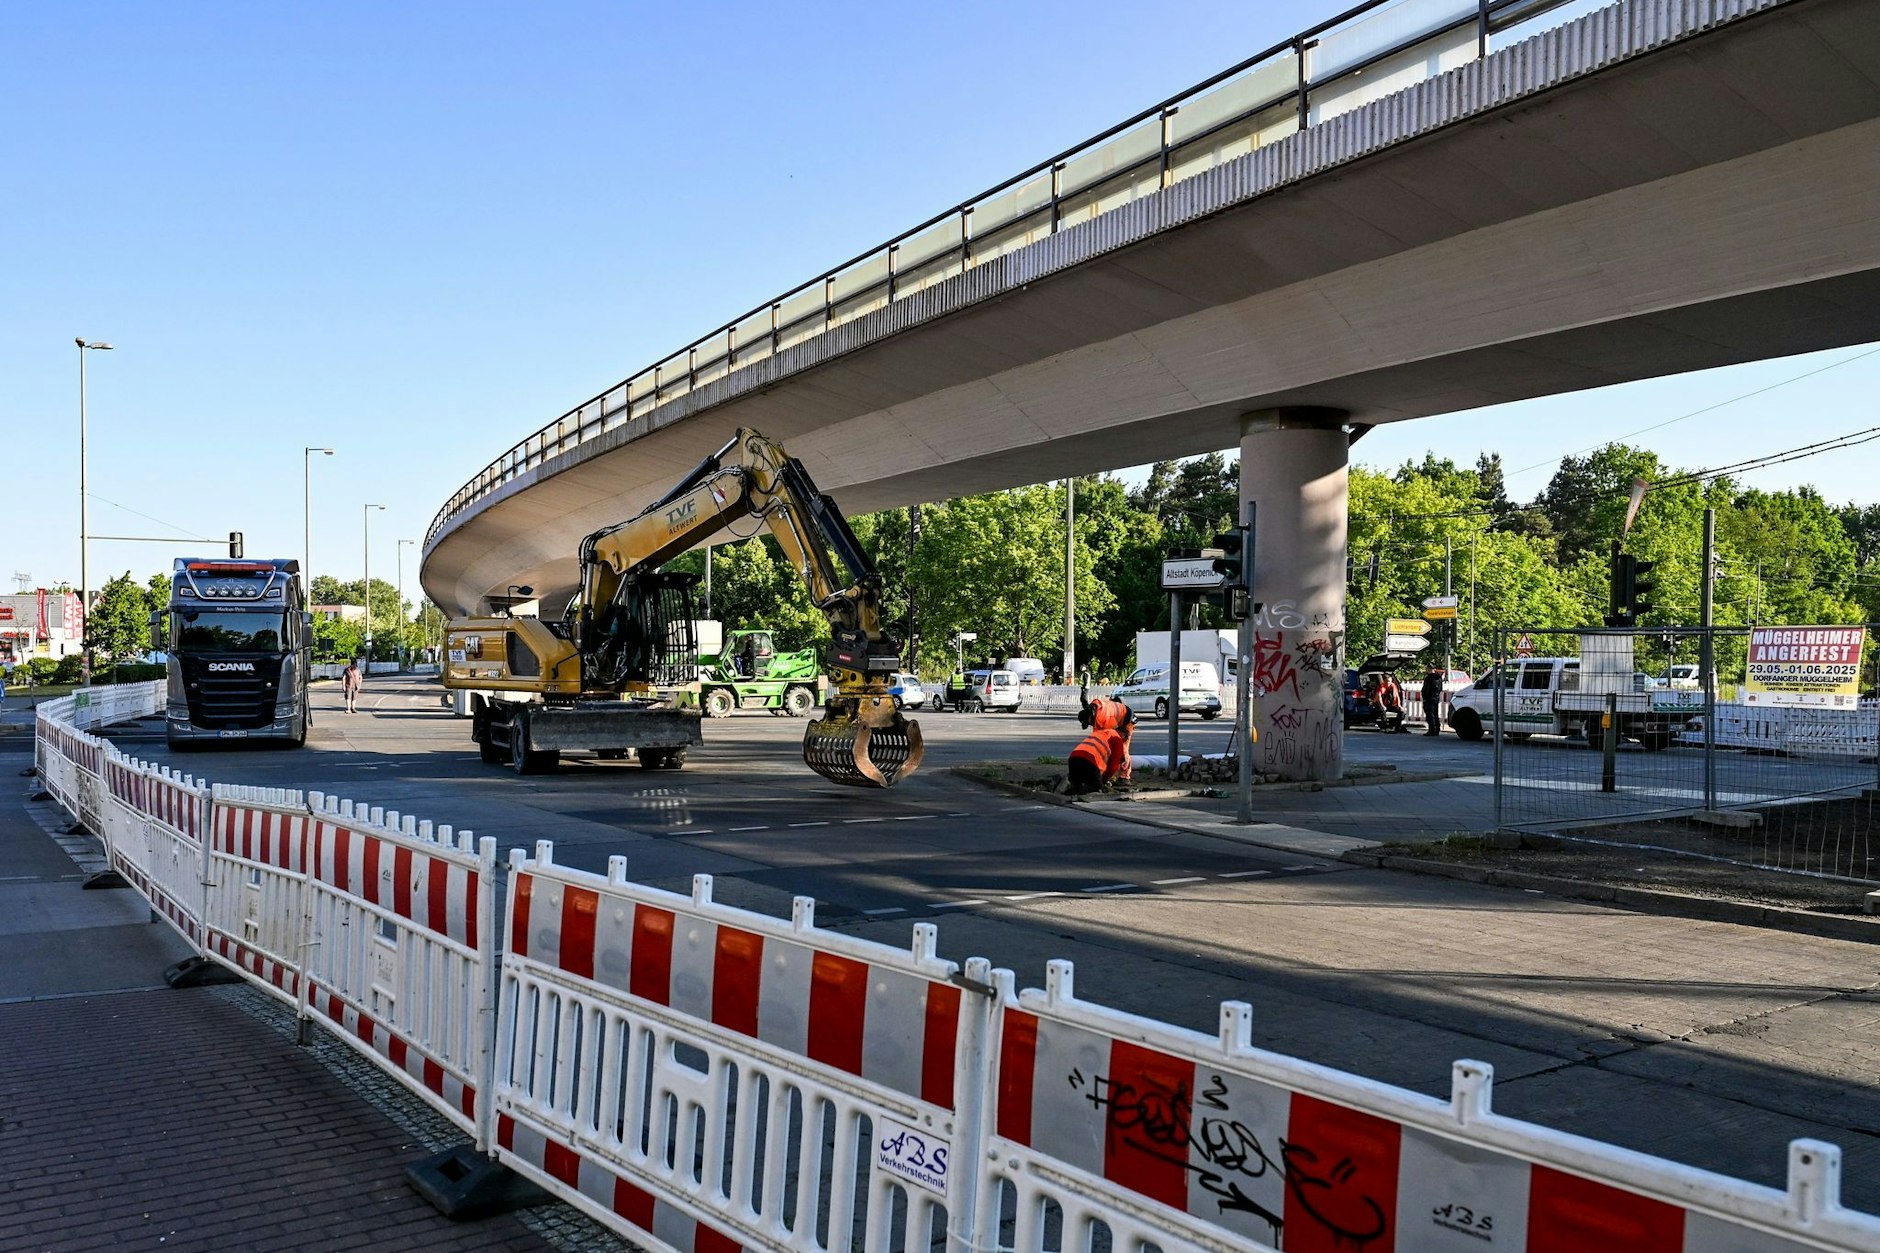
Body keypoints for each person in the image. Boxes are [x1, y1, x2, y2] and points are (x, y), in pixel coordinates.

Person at [1067, 719, 1133, 793]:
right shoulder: (1117, 738)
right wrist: (1104, 780)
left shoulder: (1100, 732)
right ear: (1123, 735)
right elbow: (1113, 765)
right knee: (1096, 790)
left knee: (1075, 787)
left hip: (1073, 758)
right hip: (1090, 763)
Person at [1421, 668, 1446, 736]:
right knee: (1435, 714)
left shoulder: (1428, 678)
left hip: (1429, 698)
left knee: (1430, 714)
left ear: (1429, 669)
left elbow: (1426, 688)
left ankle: (1431, 730)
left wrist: (1425, 697)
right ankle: (1437, 729)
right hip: (1436, 697)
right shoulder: (1439, 678)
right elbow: (1440, 688)